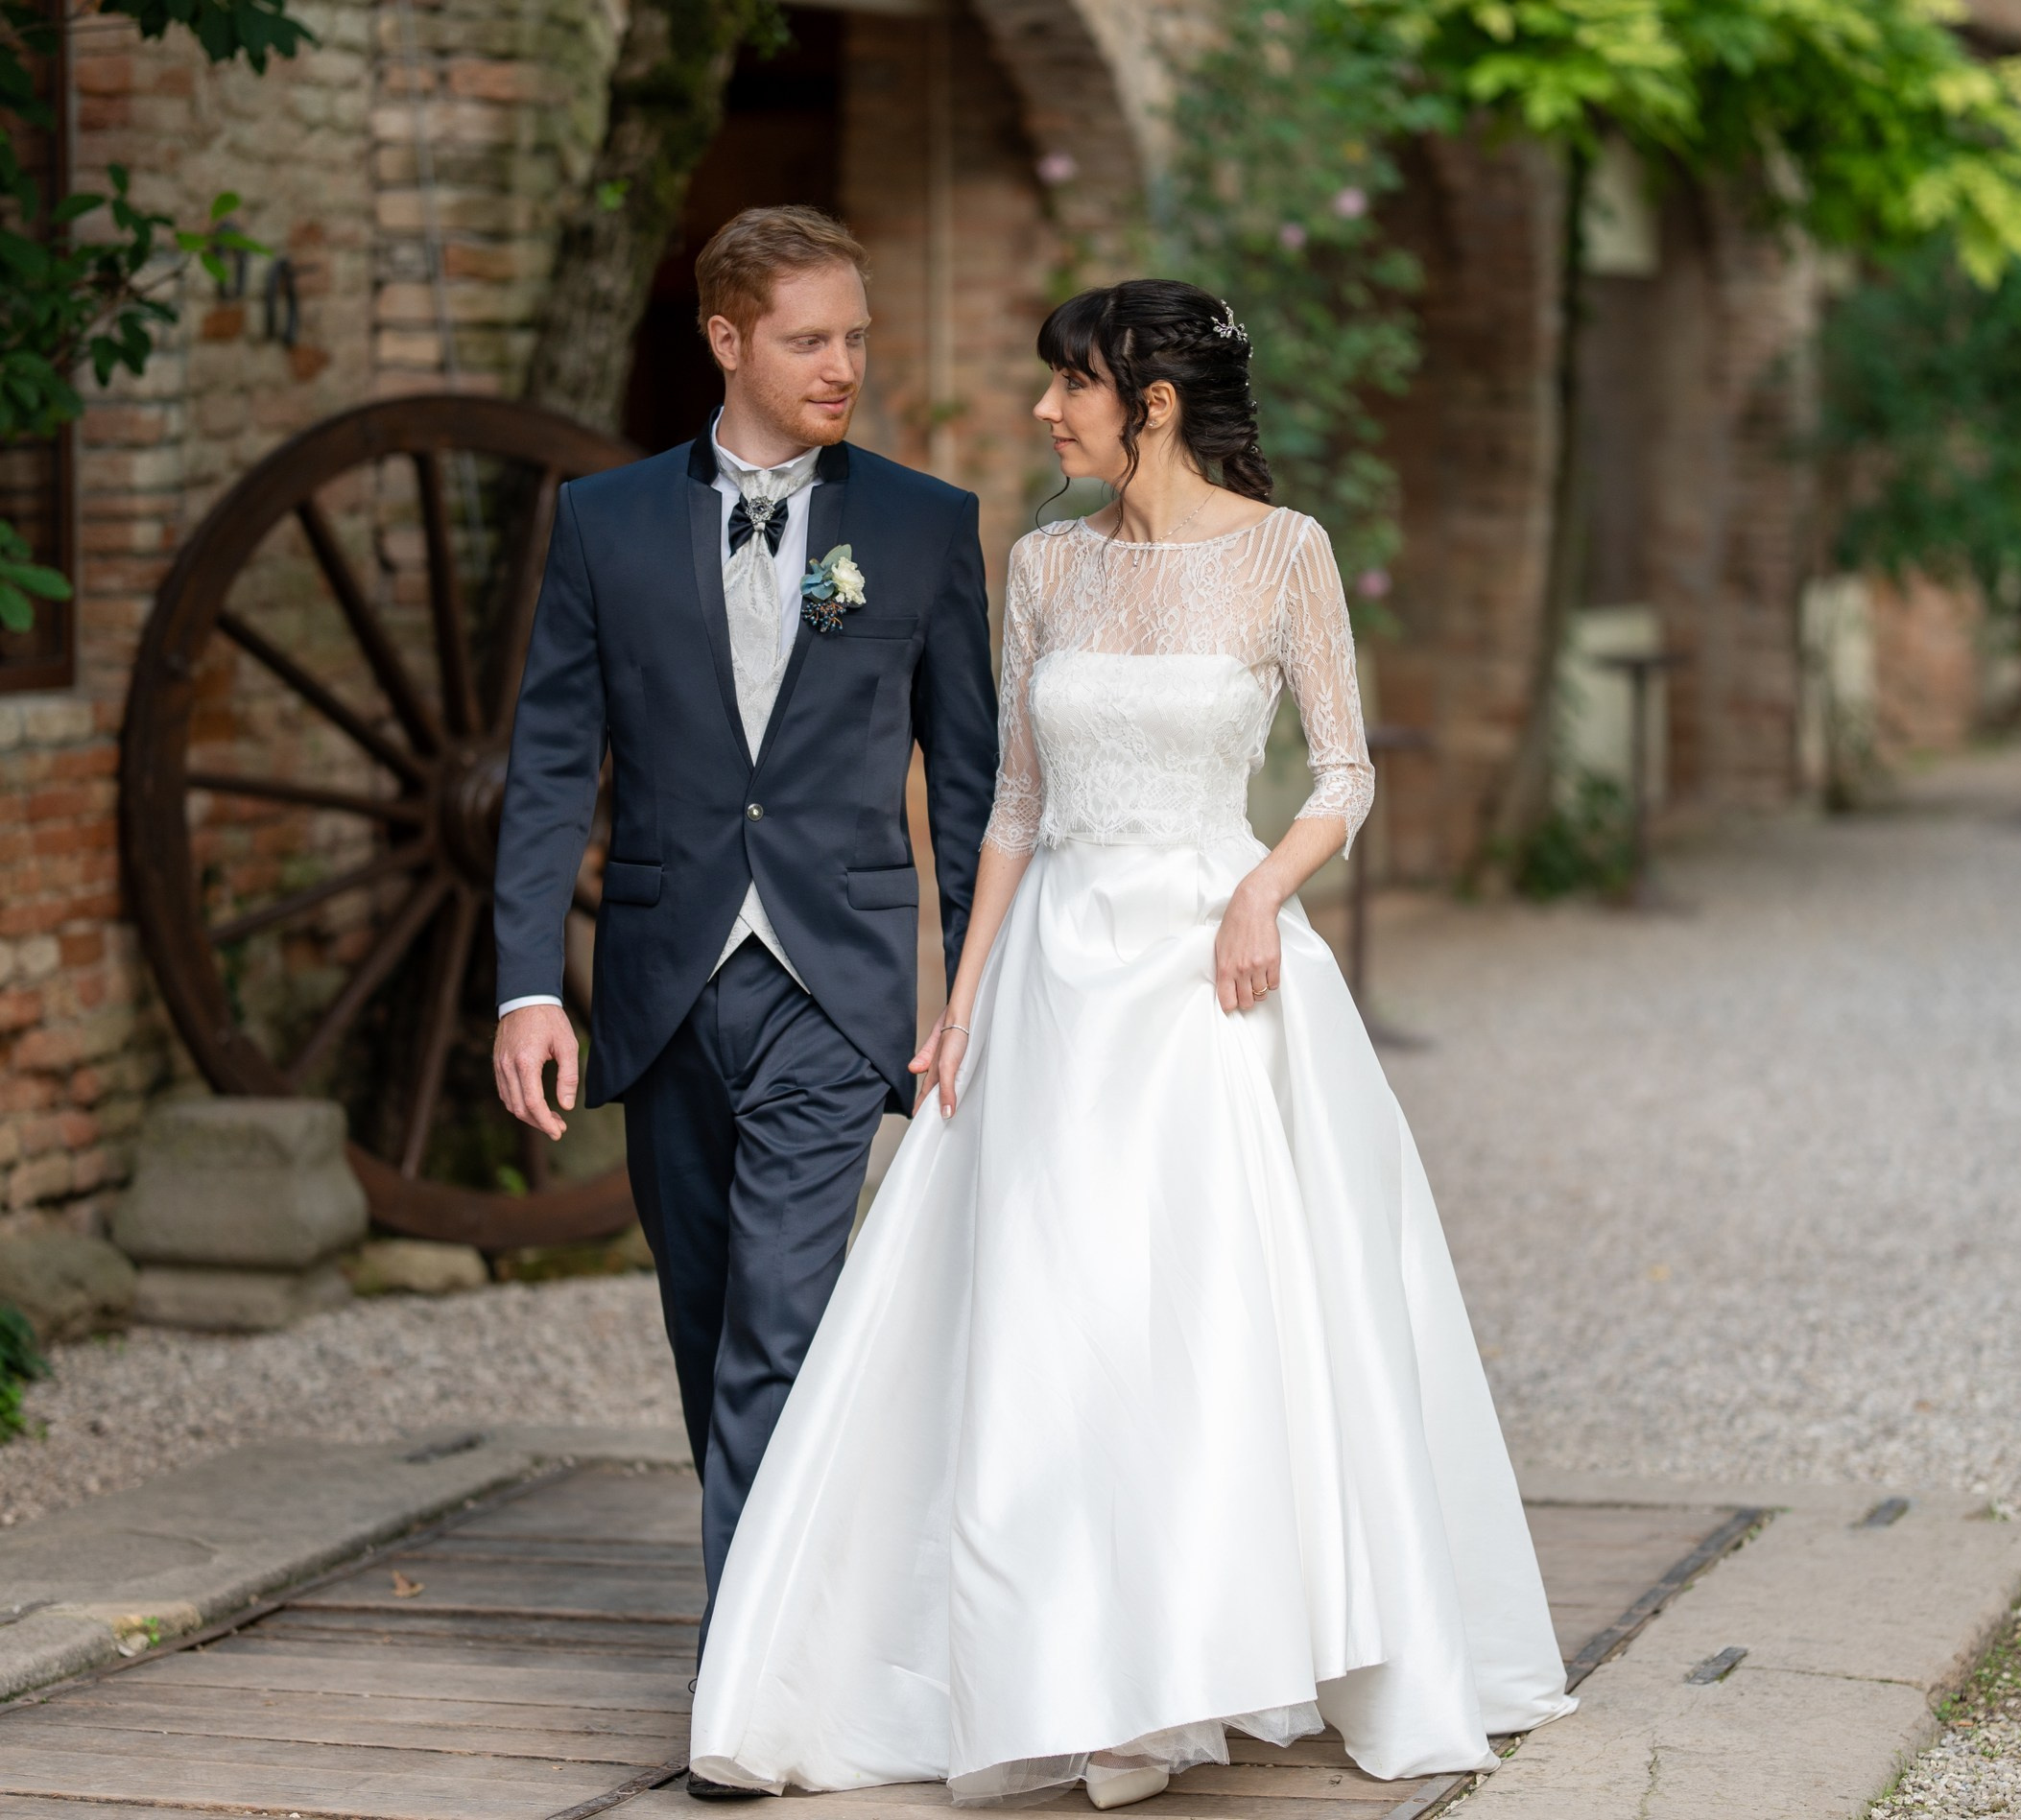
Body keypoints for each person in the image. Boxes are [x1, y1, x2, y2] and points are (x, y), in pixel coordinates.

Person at [687, 279, 1574, 1808]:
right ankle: (1075, 1666)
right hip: (1057, 979)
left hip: (1212, 978)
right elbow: (1014, 802)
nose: (1047, 413)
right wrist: (962, 992)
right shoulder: (1043, 565)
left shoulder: (1287, 555)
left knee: (1211, 1320)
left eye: (1072, 388)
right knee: (1053, 1313)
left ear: (1150, 402)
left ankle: (1193, 1656)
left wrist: (1258, 892)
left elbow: (1345, 775)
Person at [488, 205, 1000, 1805]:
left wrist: (977, 991)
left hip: (837, 992)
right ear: (726, 340)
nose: (844, 364)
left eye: (856, 335)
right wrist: (526, 985)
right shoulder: (607, 523)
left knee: (779, 1327)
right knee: (707, 1323)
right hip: (656, 985)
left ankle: (749, 1678)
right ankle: (798, 1610)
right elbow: (550, 768)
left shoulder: (922, 529)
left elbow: (974, 783)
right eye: (809, 338)